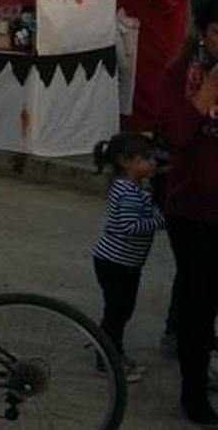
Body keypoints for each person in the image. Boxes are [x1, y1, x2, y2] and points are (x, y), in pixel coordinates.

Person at [159, 0, 218, 424]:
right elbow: (177, 134)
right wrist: (210, 90)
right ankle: (193, 390)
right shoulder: (181, 74)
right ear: (203, 32)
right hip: (195, 209)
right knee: (200, 303)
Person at [90, 131, 162, 384]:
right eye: (146, 158)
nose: (153, 163)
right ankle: (107, 359)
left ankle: (115, 353)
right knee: (116, 312)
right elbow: (130, 226)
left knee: (121, 311)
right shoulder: (127, 192)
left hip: (126, 263)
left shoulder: (135, 188)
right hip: (115, 263)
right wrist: (161, 220)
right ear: (125, 161)